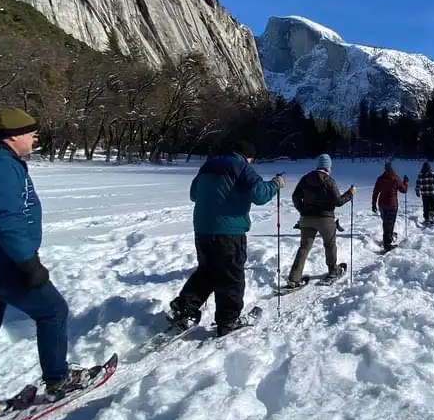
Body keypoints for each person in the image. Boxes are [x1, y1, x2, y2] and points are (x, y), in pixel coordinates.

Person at [0, 108, 98, 420]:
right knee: (53, 310)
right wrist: (28, 263)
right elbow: (5, 220)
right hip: (0, 262)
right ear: (13, 135)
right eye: (31, 133)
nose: (34, 138)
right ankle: (58, 379)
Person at [169, 139, 284, 335]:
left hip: (203, 229)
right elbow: (260, 195)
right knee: (231, 276)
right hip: (229, 231)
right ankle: (228, 320)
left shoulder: (209, 165)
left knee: (207, 271)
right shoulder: (241, 166)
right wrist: (275, 184)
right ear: (248, 157)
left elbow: (194, 194)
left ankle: (185, 307)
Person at [287, 154, 356, 287]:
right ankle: (333, 271)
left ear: (318, 165)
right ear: (328, 167)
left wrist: (302, 210)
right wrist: (350, 194)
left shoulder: (305, 178)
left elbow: (295, 196)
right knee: (330, 245)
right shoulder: (329, 181)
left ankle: (294, 278)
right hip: (325, 219)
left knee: (304, 247)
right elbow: (338, 201)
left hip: (306, 219)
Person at [372, 160, 408, 250]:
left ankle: (388, 237)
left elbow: (375, 192)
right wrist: (406, 182)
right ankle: (387, 244)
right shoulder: (395, 178)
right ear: (392, 169)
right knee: (389, 224)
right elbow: (404, 190)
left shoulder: (380, 179)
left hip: (382, 205)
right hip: (392, 205)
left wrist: (373, 204)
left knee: (386, 223)